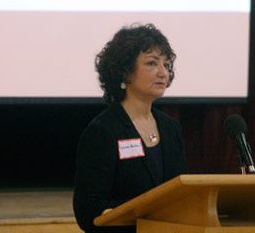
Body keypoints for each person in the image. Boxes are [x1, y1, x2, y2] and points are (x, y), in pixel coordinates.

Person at [73, 23, 187, 233]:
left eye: (166, 64)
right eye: (152, 63)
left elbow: (180, 195)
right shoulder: (104, 131)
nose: (163, 72)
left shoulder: (171, 129)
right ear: (125, 73)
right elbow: (87, 211)